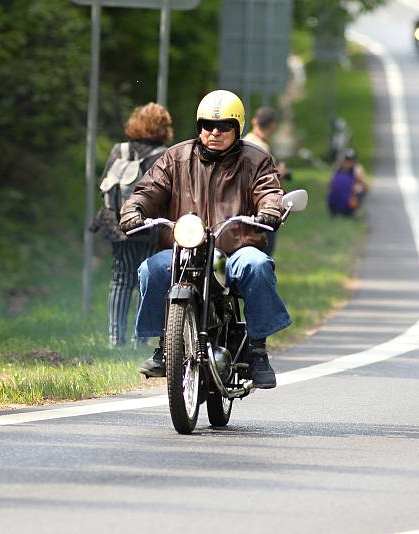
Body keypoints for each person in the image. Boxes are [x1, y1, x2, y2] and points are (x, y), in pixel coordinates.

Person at [120, 90, 291, 389]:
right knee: (152, 268)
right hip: (186, 248)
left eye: (224, 126)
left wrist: (270, 210)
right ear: (198, 126)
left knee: (258, 265)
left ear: (237, 128)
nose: (215, 132)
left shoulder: (256, 159)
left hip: (235, 247)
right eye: (208, 125)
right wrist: (133, 210)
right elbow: (147, 190)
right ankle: (164, 346)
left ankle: (258, 350)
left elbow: (269, 191)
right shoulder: (175, 157)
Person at [91, 103, 172, 348]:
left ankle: (115, 340)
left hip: (117, 223)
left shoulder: (120, 149)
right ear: (161, 127)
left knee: (120, 279)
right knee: (146, 278)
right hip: (148, 226)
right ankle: (140, 338)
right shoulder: (163, 154)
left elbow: (104, 184)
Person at [242, 106, 291, 257]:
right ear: (273, 126)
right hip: (262, 209)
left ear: (254, 122)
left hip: (243, 208)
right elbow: (268, 180)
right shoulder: (263, 149)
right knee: (265, 255)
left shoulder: (243, 142)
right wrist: (281, 172)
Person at [327, 147, 369, 217]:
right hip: (348, 208)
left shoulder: (336, 169)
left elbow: (329, 185)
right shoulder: (356, 170)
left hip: (332, 207)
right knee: (359, 189)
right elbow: (367, 187)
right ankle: (355, 211)